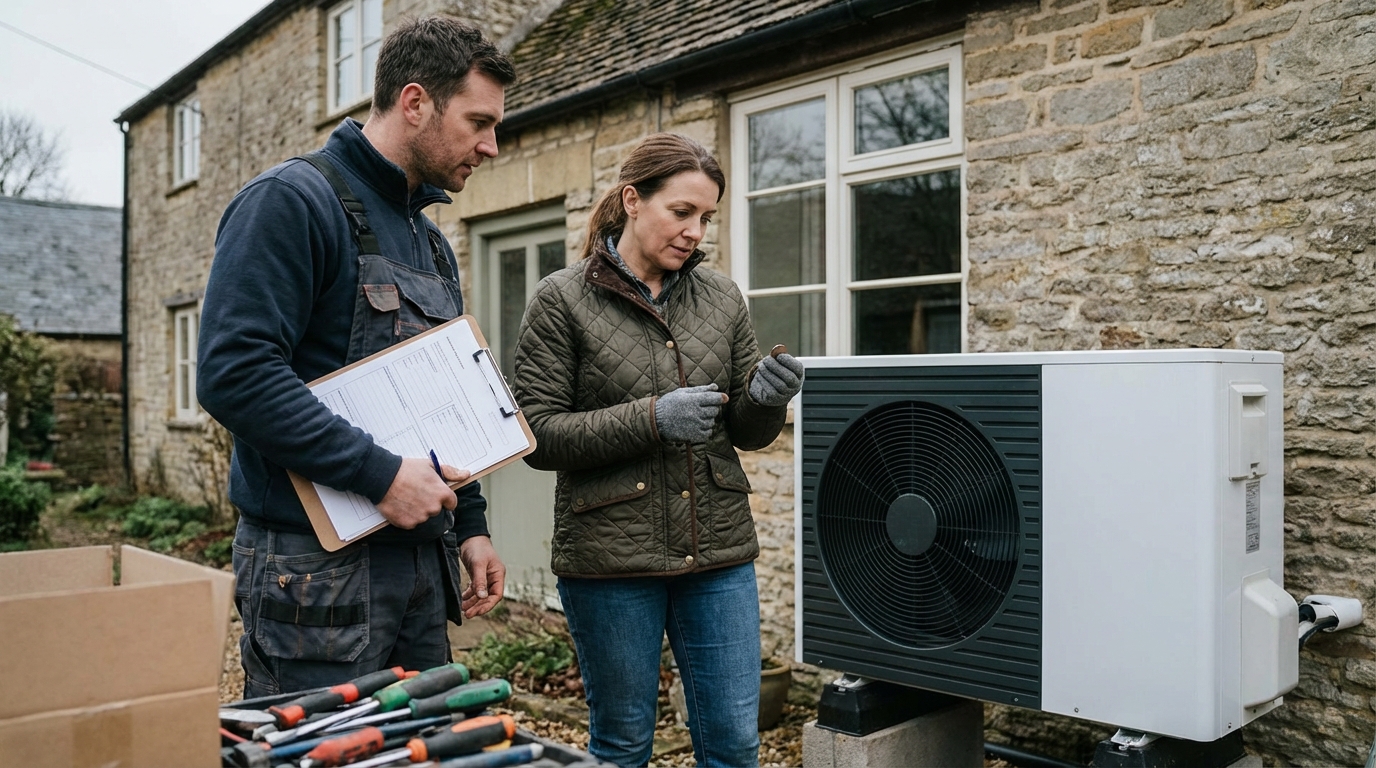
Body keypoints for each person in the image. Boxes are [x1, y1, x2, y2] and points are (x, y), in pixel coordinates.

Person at [198, 17, 514, 698]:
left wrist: (473, 525)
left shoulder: (428, 242)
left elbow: (448, 398)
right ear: (414, 102)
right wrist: (377, 475)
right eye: (479, 122)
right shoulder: (290, 202)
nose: (491, 146)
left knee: (417, 744)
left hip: (421, 570)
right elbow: (234, 374)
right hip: (314, 576)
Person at [513, 133, 807, 767]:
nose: (696, 231)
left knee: (734, 743)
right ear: (632, 201)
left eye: (706, 217)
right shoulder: (561, 300)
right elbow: (535, 435)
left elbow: (746, 432)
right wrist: (652, 419)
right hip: (612, 559)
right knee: (622, 746)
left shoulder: (722, 298)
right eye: (682, 212)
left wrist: (767, 399)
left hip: (718, 554)